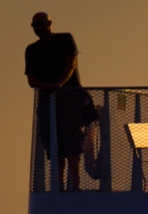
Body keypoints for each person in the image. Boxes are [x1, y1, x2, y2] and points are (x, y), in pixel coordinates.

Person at [25, 12, 99, 192]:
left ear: (49, 23)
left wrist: (59, 84)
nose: (38, 28)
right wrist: (47, 87)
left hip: (68, 98)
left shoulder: (65, 40)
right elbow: (31, 80)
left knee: (72, 143)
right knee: (53, 143)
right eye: (34, 25)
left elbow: (71, 63)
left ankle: (75, 185)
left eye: (41, 23)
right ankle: (59, 185)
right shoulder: (32, 50)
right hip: (47, 100)